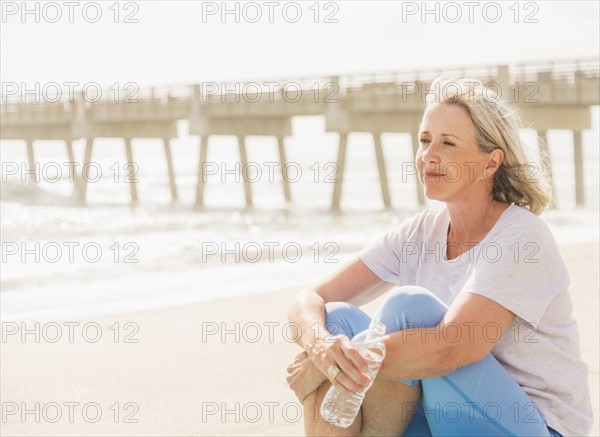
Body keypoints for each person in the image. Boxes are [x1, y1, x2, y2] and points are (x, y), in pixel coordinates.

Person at [286, 78, 593, 436]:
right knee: (334, 318)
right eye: (425, 140)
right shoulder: (421, 232)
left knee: (409, 309)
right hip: (442, 418)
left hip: (530, 426)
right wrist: (322, 349)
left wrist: (336, 365)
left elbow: (454, 347)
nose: (429, 155)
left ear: (491, 163)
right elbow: (308, 300)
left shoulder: (522, 236)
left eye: (448, 143)